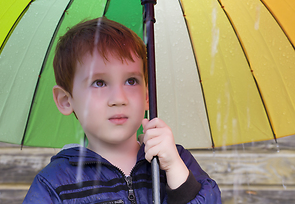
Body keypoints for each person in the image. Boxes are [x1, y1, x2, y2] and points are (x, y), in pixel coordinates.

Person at [23, 17, 221, 203]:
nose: (119, 98)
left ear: (146, 96)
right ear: (66, 100)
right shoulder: (55, 184)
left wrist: (175, 169)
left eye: (131, 81)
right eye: (99, 82)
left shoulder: (176, 161)